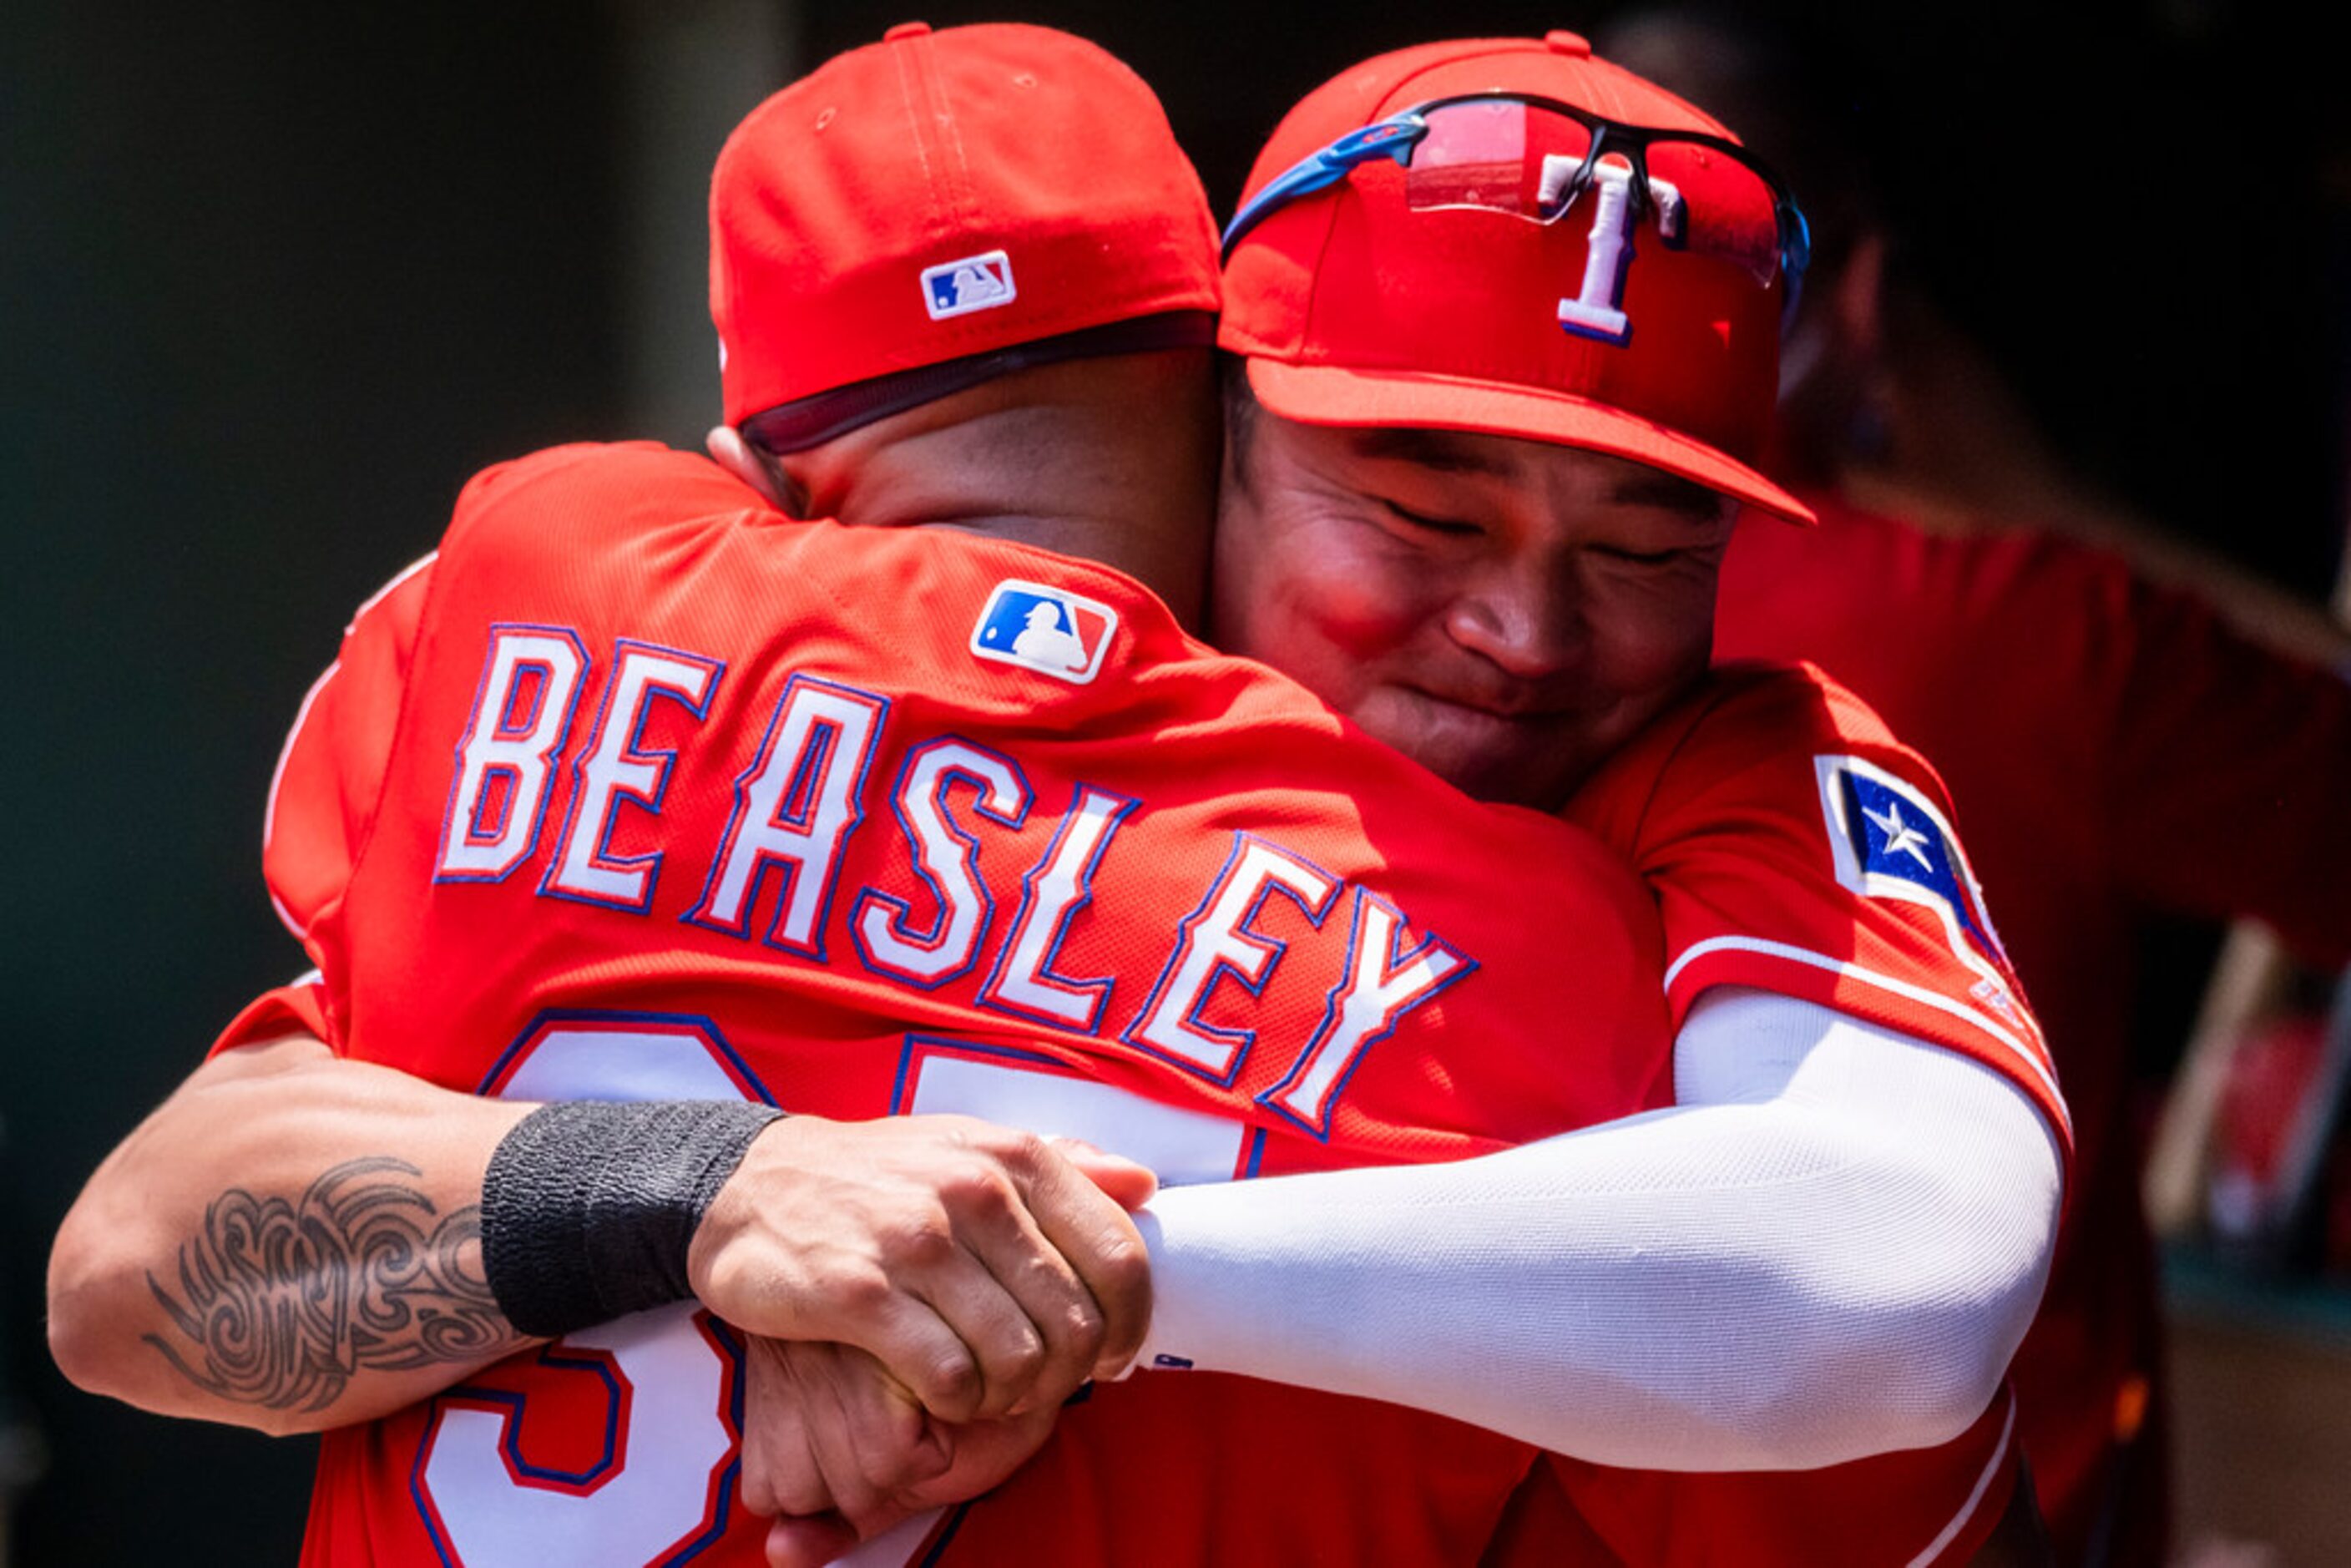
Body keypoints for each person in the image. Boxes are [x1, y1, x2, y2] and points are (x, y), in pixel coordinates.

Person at [48, 23, 2065, 1567]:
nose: (1525, 631)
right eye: (1420, 505)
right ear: (1226, 413)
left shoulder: (567, 601)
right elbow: (128, 1274)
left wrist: (1050, 1277)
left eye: (1648, 546)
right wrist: (709, 1198)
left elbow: (1891, 1281)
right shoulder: (1558, 968)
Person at [1574, 13, 2351, 1560]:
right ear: (1860, 300)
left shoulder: (1367, 598)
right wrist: (2053, 509)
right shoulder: (2035, 626)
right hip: (1984, 1510)